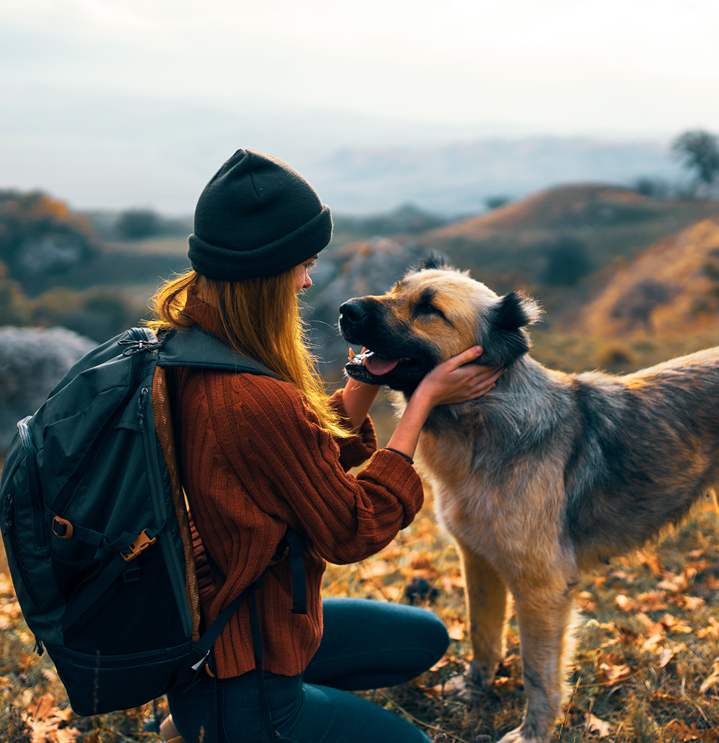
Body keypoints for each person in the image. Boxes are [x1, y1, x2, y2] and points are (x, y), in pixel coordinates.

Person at [150, 149, 501, 743]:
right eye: (303, 264)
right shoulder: (247, 394)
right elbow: (350, 530)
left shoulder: (191, 345)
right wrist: (421, 403)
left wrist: (363, 381)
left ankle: (208, 716)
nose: (309, 279)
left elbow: (288, 458)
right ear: (265, 270)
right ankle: (230, 725)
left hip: (234, 621)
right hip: (246, 670)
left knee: (424, 638)